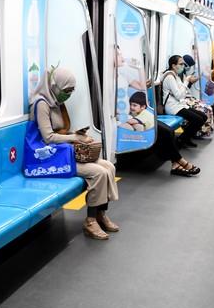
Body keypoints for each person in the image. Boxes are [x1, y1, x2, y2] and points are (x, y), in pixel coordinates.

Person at [30, 66, 119, 240]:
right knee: (99, 172)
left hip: (61, 151)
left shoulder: (56, 102)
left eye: (71, 91)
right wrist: (75, 138)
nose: (68, 95)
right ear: (55, 86)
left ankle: (101, 213)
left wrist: (75, 135)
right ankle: (90, 221)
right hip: (47, 156)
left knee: (108, 166)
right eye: (66, 91)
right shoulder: (41, 104)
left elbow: (62, 130)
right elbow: (48, 138)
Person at [118, 92, 200, 177]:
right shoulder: (134, 114)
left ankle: (176, 163)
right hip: (145, 132)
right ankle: (180, 161)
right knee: (164, 132)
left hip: (148, 124)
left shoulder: (144, 114)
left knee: (168, 131)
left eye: (134, 105)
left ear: (143, 107)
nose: (131, 107)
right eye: (131, 105)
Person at [160, 55, 208, 148]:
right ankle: (182, 139)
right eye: (181, 64)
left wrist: (187, 83)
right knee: (197, 119)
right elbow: (179, 95)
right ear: (173, 65)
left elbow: (182, 91)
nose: (183, 66)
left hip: (179, 105)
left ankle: (186, 138)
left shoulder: (176, 76)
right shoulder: (170, 77)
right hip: (173, 107)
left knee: (203, 116)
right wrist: (186, 81)